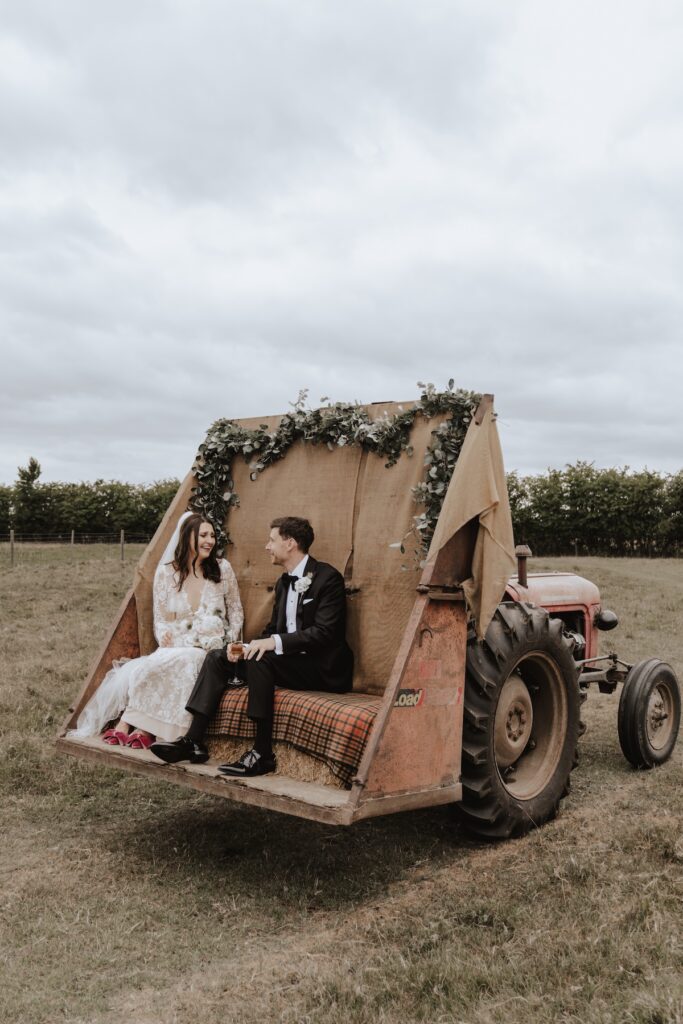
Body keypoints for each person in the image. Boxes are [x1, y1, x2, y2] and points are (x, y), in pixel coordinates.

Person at [151, 515, 354, 775]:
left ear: (290, 543)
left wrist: (270, 644)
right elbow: (274, 630)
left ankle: (262, 753)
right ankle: (194, 740)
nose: (267, 546)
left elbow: (324, 633)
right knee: (217, 657)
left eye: (272, 540)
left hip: (321, 668)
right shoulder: (284, 582)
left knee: (262, 659)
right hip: (289, 663)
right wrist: (246, 646)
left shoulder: (327, 578)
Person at [69, 511, 243, 749]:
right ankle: (140, 726)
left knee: (188, 660)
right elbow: (161, 621)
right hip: (178, 643)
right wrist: (165, 635)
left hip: (210, 649)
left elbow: (235, 611)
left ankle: (135, 724)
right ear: (186, 537)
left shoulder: (223, 569)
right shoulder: (166, 572)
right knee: (151, 664)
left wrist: (228, 640)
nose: (210, 541)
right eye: (203, 535)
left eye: (212, 535)